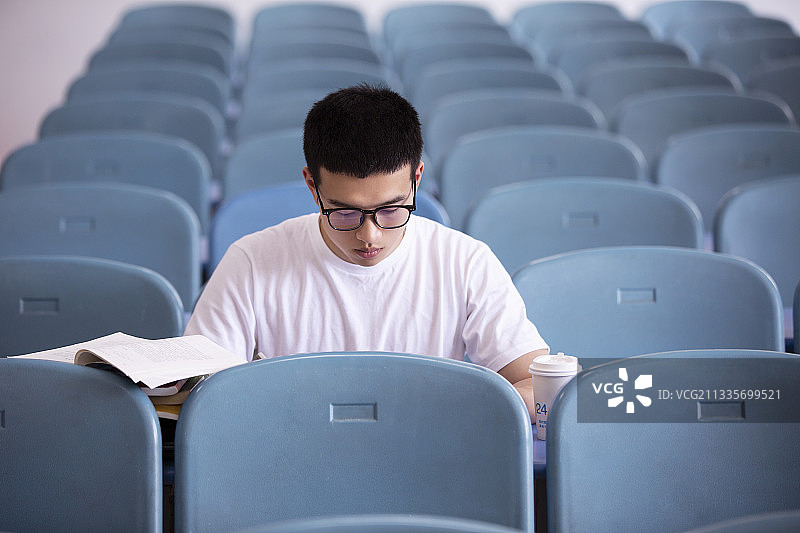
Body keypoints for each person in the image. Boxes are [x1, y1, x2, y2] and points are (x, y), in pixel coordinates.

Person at [185, 83, 549, 417]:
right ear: (313, 186)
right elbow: (202, 401)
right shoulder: (251, 262)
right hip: (292, 464)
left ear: (416, 179)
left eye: (392, 209)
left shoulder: (465, 262)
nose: (370, 236)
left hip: (426, 462)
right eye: (345, 212)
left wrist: (448, 408)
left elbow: (542, 387)